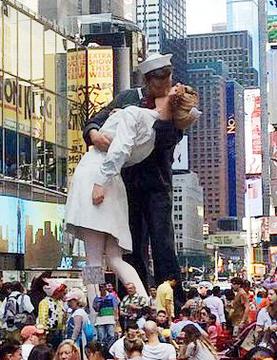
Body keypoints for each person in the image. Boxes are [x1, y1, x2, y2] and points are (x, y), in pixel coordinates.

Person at [82, 52, 200, 288]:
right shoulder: (131, 105)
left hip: (102, 185)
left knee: (107, 256)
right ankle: (124, 302)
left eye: (168, 80)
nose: (166, 87)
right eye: (160, 81)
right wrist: (94, 134)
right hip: (106, 185)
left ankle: (106, 303)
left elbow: (166, 140)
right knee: (118, 253)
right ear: (147, 80)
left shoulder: (167, 108)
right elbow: (100, 125)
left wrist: (169, 108)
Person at [38, 279, 67, 350]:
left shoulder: (60, 302)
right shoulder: (45, 302)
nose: (64, 293)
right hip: (50, 333)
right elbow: (43, 319)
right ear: (56, 292)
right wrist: (43, 334)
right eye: (62, 292)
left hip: (60, 332)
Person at [65, 288, 92, 354]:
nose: (69, 303)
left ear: (77, 301)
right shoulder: (79, 311)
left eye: (71, 301)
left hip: (78, 341)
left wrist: (72, 340)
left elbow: (77, 328)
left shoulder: (78, 313)